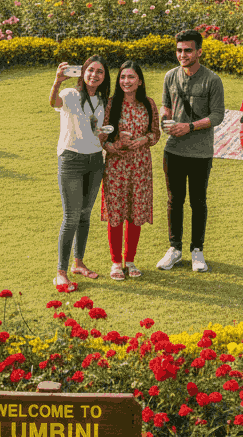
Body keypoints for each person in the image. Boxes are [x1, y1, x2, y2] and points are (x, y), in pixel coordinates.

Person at [158, 29, 224, 273]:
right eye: (179, 50)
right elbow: (166, 105)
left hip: (200, 152)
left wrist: (190, 127)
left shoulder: (212, 80)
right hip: (173, 150)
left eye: (187, 50)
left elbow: (217, 115)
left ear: (199, 51)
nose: (182, 55)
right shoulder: (170, 77)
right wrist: (165, 119)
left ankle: (197, 250)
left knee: (198, 202)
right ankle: (174, 249)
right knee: (174, 201)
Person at [50, 56, 110, 290]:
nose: (94, 75)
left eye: (100, 72)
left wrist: (103, 134)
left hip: (95, 160)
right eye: (91, 70)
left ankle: (79, 263)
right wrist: (56, 81)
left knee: (85, 214)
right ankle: (61, 272)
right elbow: (53, 103)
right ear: (83, 72)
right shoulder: (69, 94)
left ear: (104, 77)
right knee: (71, 216)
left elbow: (96, 129)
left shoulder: (103, 99)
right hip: (71, 159)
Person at [101, 60, 161, 280]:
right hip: (116, 167)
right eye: (123, 77)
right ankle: (116, 262)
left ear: (140, 81)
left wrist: (144, 139)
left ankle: (131, 260)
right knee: (116, 214)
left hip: (141, 166)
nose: (126, 81)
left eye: (131, 77)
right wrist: (117, 145)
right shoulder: (111, 105)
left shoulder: (148, 104)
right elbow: (102, 140)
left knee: (136, 213)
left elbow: (156, 133)